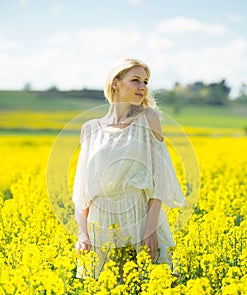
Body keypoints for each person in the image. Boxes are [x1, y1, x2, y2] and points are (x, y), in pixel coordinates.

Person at [72, 58, 186, 276]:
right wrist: (83, 234)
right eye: (135, 80)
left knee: (157, 294)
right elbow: (82, 190)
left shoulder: (149, 119)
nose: (142, 87)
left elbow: (159, 179)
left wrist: (150, 230)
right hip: (100, 224)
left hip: (140, 217)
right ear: (115, 83)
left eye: (145, 82)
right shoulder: (89, 129)